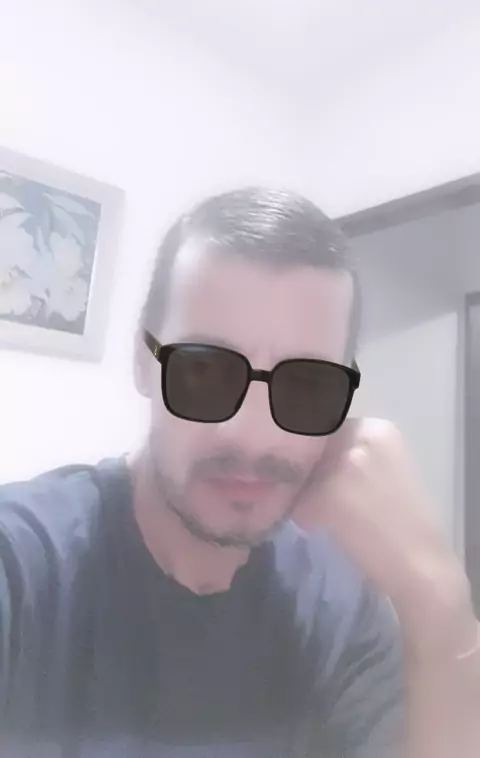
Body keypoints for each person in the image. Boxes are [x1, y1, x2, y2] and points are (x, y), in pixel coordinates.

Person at [0, 187, 478, 758]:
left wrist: (440, 607)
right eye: (203, 370)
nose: (253, 436)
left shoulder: (339, 604)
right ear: (143, 362)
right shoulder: (23, 565)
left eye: (306, 383)